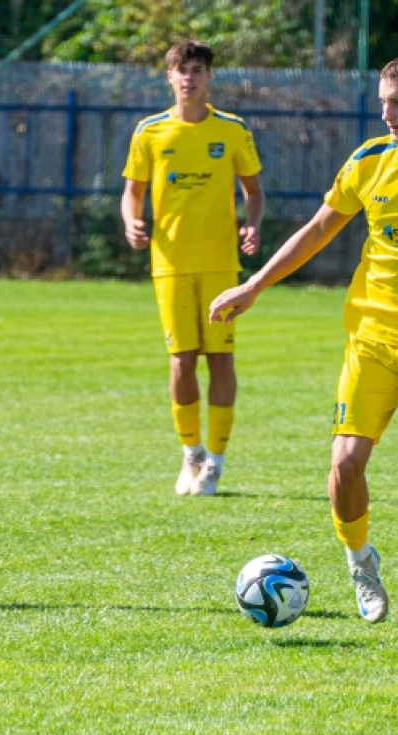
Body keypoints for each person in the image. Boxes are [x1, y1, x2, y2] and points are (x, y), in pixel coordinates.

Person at [210, 51, 398, 624]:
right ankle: (361, 563)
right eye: (382, 101)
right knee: (345, 464)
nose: (386, 113)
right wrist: (254, 285)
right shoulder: (369, 162)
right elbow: (316, 232)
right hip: (372, 340)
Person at [121, 40, 264, 497]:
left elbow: (253, 190)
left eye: (197, 70)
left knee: (221, 358)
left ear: (209, 76)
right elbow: (132, 191)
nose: (189, 78)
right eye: (181, 70)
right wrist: (132, 222)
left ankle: (215, 462)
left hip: (220, 264)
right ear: (169, 77)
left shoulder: (233, 130)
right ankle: (191, 455)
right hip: (170, 264)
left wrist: (252, 224)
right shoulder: (150, 131)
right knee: (181, 361)